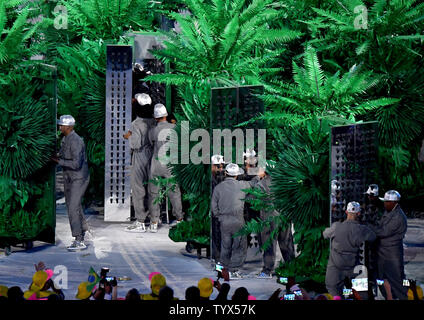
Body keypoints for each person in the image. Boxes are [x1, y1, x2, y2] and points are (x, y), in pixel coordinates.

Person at [211, 163, 263, 279]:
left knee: (225, 246)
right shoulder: (242, 185)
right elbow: (253, 183)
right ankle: (234, 271)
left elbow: (214, 206)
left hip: (224, 221)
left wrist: (220, 217)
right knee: (239, 247)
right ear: (237, 175)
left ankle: (223, 269)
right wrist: (258, 175)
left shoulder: (218, 187)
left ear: (225, 173)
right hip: (238, 221)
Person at [51, 115, 90, 251]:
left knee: (73, 207)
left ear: (68, 127)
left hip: (79, 177)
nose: (59, 127)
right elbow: (62, 154)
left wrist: (58, 161)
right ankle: (84, 229)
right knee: (73, 205)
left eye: (61, 125)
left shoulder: (76, 141)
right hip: (70, 177)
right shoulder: (65, 139)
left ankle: (79, 239)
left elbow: (76, 164)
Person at [323, 201, 376, 297]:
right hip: (353, 265)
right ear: (359, 213)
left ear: (346, 212)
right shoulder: (362, 229)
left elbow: (325, 234)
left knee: (331, 287)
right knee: (362, 291)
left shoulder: (336, 226)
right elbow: (373, 236)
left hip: (336, 266)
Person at [147, 104, 184, 232]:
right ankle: (179, 219)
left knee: (154, 193)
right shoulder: (174, 128)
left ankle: (154, 222)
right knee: (174, 192)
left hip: (156, 164)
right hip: (170, 165)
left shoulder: (152, 130)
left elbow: (150, 143)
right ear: (166, 115)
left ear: (156, 118)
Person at [255, 161, 295, 279]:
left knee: (269, 244)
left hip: (268, 219)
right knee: (286, 243)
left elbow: (255, 202)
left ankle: (267, 271)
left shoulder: (260, 184)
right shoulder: (283, 183)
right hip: (284, 217)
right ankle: (291, 268)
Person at [124, 93, 156, 233]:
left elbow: (135, 144)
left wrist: (129, 136)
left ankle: (140, 221)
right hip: (153, 155)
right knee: (153, 188)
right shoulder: (154, 121)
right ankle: (154, 220)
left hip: (140, 156)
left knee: (138, 189)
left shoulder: (136, 124)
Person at [371, 190, 408, 300]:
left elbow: (383, 232)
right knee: (382, 279)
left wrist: (367, 227)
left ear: (393, 202)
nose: (384, 203)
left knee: (396, 281)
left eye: (386, 202)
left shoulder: (398, 217)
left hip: (392, 254)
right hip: (383, 252)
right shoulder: (389, 211)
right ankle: (390, 297)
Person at [211, 154, 225, 262]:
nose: (219, 169)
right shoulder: (210, 180)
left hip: (223, 213)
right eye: (216, 166)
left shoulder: (224, 179)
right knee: (216, 236)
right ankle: (217, 258)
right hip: (214, 214)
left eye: (221, 166)